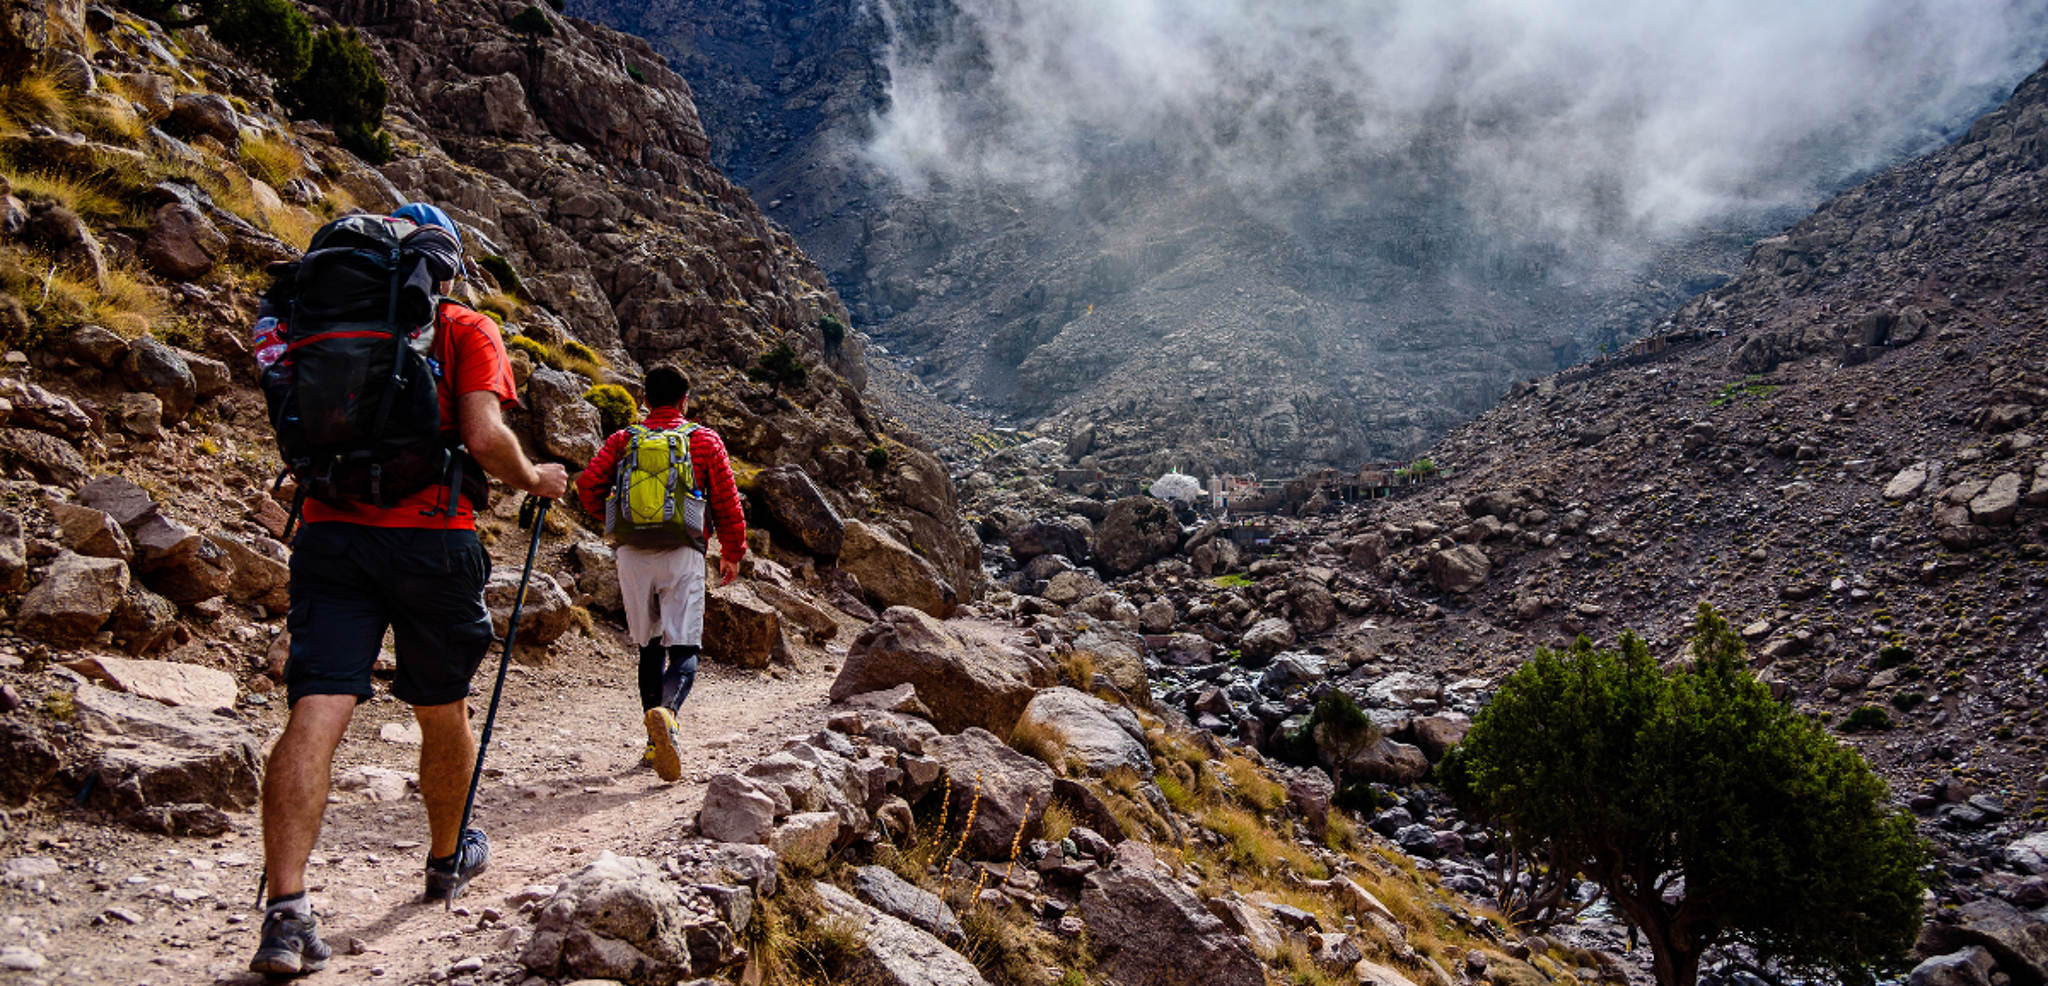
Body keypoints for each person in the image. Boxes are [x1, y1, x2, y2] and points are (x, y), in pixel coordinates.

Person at [251, 203, 570, 976]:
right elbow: (486, 436)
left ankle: (287, 911)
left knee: (317, 704)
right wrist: (537, 479)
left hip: (330, 535)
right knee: (440, 705)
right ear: (442, 265)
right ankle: (445, 855)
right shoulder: (462, 327)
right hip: (432, 540)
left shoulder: (308, 319)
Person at [574, 364, 745, 783]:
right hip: (682, 551)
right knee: (684, 645)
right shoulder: (702, 439)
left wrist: (615, 521)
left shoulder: (623, 439)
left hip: (632, 554)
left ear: (645, 399)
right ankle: (666, 715)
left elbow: (587, 486)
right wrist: (732, 550)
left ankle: (653, 742)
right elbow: (726, 499)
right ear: (684, 401)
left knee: (649, 646)